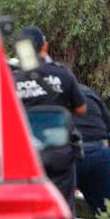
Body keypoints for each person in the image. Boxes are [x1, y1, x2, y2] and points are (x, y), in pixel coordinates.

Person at [13, 26, 86, 209]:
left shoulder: (13, 79)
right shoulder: (62, 74)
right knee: (63, 205)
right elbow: (82, 109)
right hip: (59, 150)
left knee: (31, 203)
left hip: (28, 154)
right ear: (44, 47)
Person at [73, 84, 110, 218]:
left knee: (61, 210)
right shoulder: (88, 92)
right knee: (107, 213)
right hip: (100, 152)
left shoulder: (38, 94)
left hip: (69, 154)